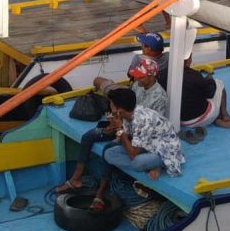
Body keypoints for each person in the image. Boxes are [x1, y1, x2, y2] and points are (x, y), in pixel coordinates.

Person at [56, 88, 185, 210]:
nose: (110, 108)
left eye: (112, 105)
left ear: (120, 110)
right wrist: (114, 128)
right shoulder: (128, 115)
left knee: (137, 163)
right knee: (109, 153)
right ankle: (148, 165)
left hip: (164, 151)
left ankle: (159, 165)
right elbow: (124, 139)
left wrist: (119, 129)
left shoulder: (142, 119)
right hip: (146, 147)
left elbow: (132, 153)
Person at [178, 54, 230, 130]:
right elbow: (210, 93)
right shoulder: (195, 75)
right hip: (198, 120)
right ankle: (224, 116)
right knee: (219, 83)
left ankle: (216, 118)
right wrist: (210, 80)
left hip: (179, 121)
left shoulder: (166, 73)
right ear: (188, 61)